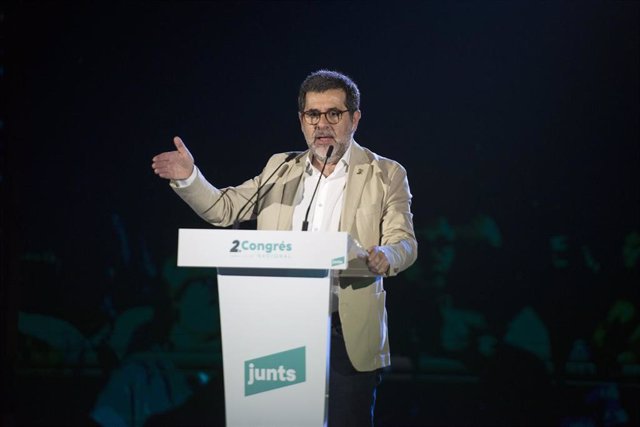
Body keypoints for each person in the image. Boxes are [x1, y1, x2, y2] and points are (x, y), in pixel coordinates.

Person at [151, 69, 417, 426]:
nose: (322, 124)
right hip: (278, 327)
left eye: (333, 114)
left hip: (346, 330)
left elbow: (405, 241)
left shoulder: (385, 173)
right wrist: (190, 177)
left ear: (354, 118)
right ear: (301, 120)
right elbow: (225, 209)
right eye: (313, 115)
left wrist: (386, 255)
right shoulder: (281, 167)